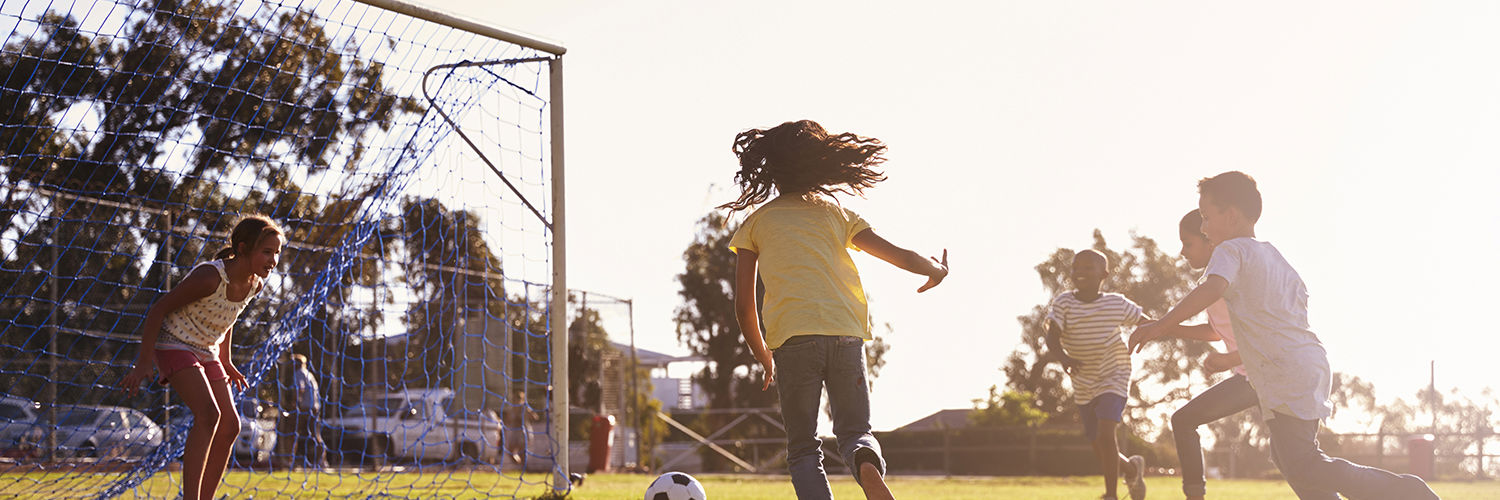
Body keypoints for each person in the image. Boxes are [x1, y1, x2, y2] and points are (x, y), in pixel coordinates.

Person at [1130, 171, 1439, 500]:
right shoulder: (1275, 258)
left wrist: (1161, 325)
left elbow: (1212, 289)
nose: (1203, 227)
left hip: (1283, 372)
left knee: (1304, 463)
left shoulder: (1230, 251)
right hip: (1308, 365)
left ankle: (1405, 492)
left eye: (1206, 217)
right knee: (1292, 458)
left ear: (1231, 215)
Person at [722, 119, 948, 500]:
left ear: (771, 170)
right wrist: (936, 269)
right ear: (819, 165)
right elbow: (899, 255)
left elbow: (744, 308)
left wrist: (764, 357)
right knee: (856, 430)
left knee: (804, 447)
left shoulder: (755, 223)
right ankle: (865, 465)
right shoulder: (837, 214)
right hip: (846, 334)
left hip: (793, 341)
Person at [120, 214, 284, 500]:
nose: (273, 259)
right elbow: (158, 310)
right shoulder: (210, 276)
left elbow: (228, 317)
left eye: (277, 253)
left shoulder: (255, 284)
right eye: (267, 252)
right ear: (243, 249)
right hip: (173, 343)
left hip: (207, 350)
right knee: (209, 415)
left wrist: (226, 360)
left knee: (230, 425)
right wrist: (144, 361)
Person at [1133, 209, 1257, 500]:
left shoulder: (1224, 277)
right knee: (1184, 420)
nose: (1182, 252)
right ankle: (1195, 496)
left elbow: (1259, 335)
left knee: (1299, 461)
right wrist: (1166, 328)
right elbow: (1217, 331)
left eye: (1187, 243)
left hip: (1265, 375)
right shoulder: (1213, 280)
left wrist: (1163, 324)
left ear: (1209, 240)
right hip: (1250, 377)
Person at [1043, 249, 1148, 500]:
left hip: (1114, 373)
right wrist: (1065, 359)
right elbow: (1051, 337)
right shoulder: (1064, 303)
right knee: (1097, 442)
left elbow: (1145, 321)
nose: (1080, 272)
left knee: (1105, 434)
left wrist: (1151, 331)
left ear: (1104, 273)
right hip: (1083, 380)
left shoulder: (1115, 303)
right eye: (1076, 268)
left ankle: (1110, 495)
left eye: (1088, 268)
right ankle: (1132, 469)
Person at [289, 353, 329, 469]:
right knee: (315, 435)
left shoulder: (299, 373)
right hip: (315, 407)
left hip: (305, 408)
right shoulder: (309, 374)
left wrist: (294, 404)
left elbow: (299, 389)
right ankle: (322, 461)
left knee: (294, 434)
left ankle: (291, 461)